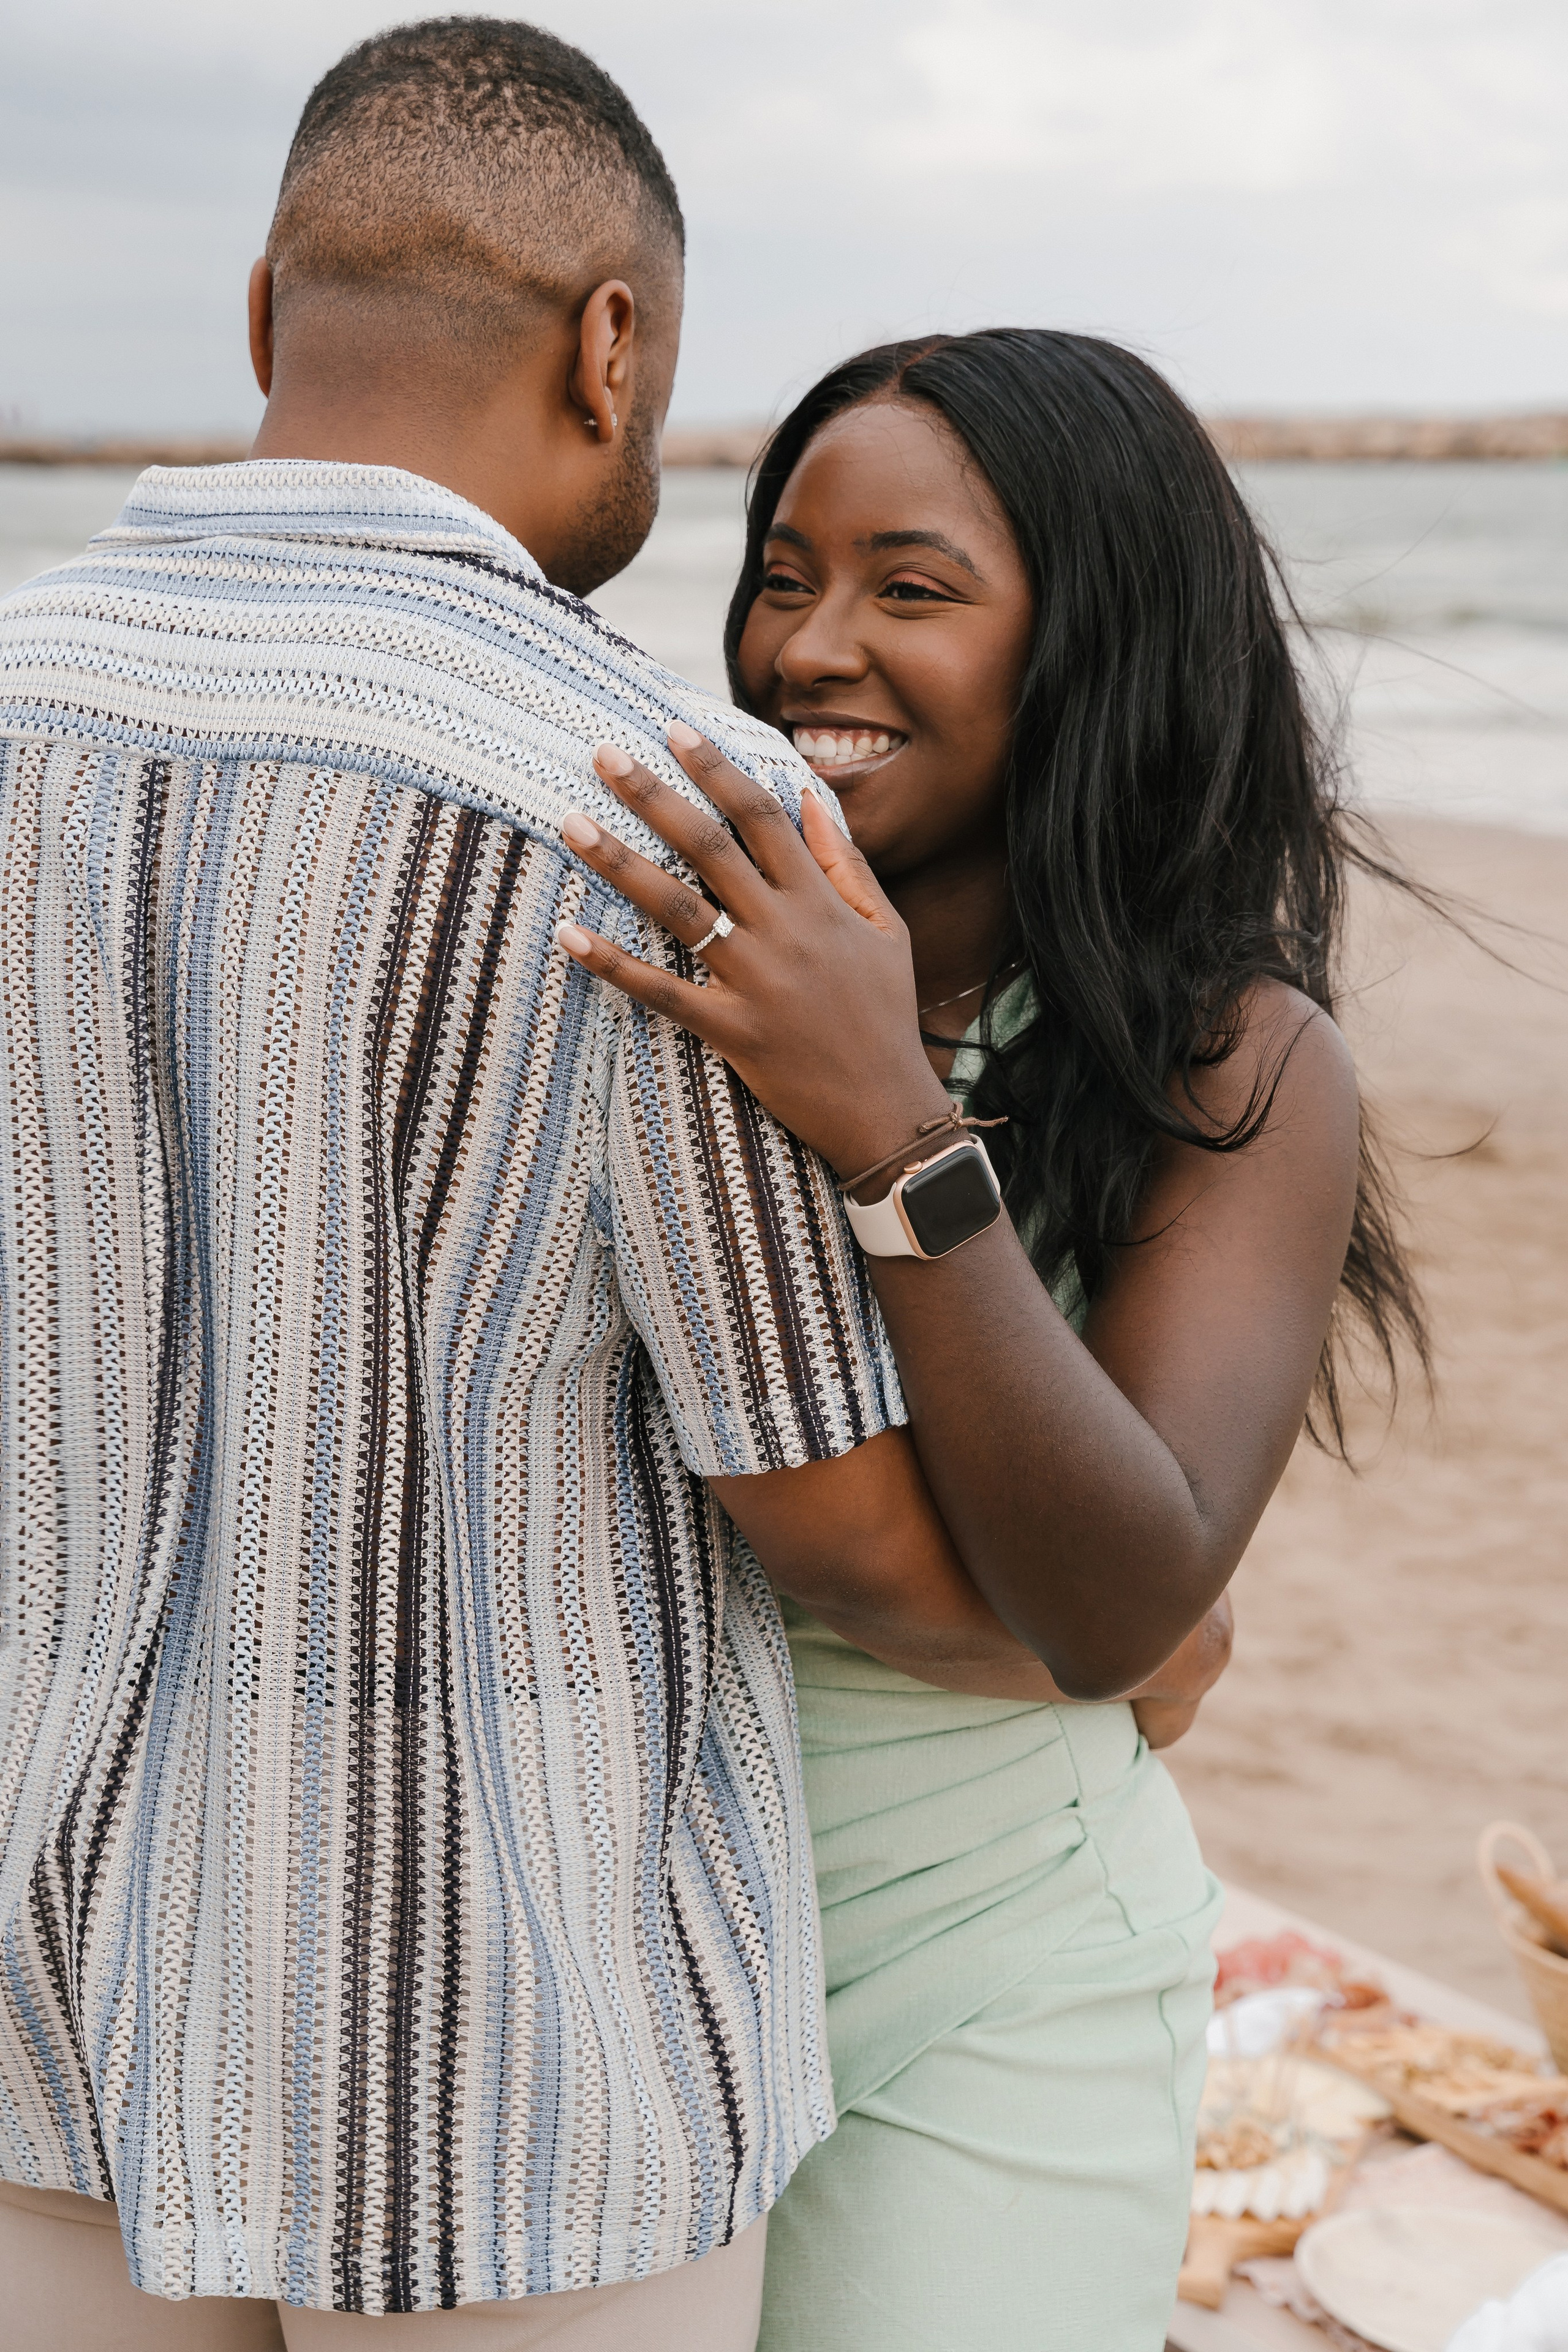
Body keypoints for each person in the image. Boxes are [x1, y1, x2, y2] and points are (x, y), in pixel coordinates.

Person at [0, 29, 1214, 2350]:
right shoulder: (665, 815)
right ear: (612, 344)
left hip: (47, 1966)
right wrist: (1129, 1647)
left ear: (269, 311)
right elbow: (844, 1525)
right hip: (505, 2051)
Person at [553, 328, 1429, 2350]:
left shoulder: (1236, 1060)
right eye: (785, 573)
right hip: (607, 1947)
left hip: (982, 1971)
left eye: (911, 588)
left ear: (1088, 645)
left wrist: (893, 1126)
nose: (810, 648)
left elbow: (1121, 1592)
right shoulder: (635, 959)